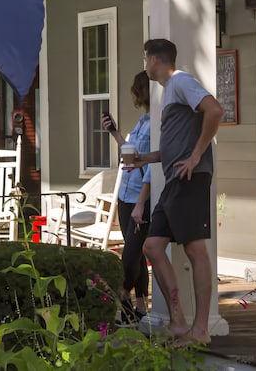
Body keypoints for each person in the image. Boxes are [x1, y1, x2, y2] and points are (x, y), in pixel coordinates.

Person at [128, 38, 224, 346]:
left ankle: (201, 329)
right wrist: (147, 158)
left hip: (190, 179)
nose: (145, 64)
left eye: (146, 58)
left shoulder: (181, 81)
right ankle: (178, 321)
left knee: (196, 251)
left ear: (155, 60)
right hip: (173, 181)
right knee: (152, 246)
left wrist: (195, 156)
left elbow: (215, 110)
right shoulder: (170, 91)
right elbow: (176, 144)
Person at [101, 71, 152, 326]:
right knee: (137, 256)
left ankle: (120, 303)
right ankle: (140, 310)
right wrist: (115, 132)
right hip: (125, 195)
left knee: (130, 255)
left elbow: (152, 168)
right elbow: (130, 153)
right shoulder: (143, 121)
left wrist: (141, 203)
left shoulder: (157, 125)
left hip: (141, 198)